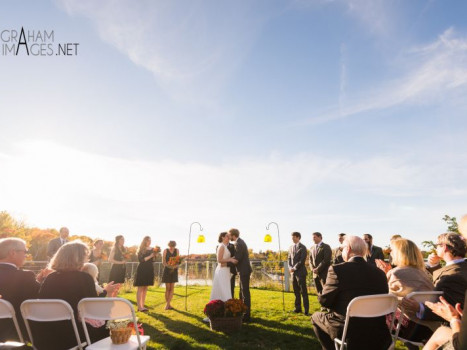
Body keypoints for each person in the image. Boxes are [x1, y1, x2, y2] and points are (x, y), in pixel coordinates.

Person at [311, 235, 392, 350]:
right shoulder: (380, 273)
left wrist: (322, 294)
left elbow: (324, 301)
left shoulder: (337, 270)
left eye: (342, 249)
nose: (341, 251)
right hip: (378, 330)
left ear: (348, 249)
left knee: (315, 317)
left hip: (349, 330)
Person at [35, 241, 119, 350]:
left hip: (48, 333)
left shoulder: (50, 278)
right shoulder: (84, 278)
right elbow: (93, 309)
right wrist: (107, 295)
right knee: (107, 323)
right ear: (78, 259)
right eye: (85, 257)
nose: (87, 260)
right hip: (76, 334)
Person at [375, 238, 434, 342]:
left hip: (407, 326)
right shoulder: (426, 273)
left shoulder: (395, 273)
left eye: (392, 250)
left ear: (399, 253)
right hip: (430, 325)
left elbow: (383, 298)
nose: (391, 253)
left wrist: (383, 275)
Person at [401, 233, 467, 324]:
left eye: (436, 246)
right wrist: (435, 265)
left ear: (444, 247)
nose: (435, 249)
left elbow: (453, 309)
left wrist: (419, 308)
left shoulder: (453, 277)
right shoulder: (461, 267)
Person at [0, 237, 40, 342]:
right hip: (19, 334)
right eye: (25, 251)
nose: (26, 255)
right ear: (12, 253)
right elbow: (40, 297)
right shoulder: (25, 276)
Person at [229, 228, 252, 322]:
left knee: (245, 292)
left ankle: (247, 315)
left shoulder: (239, 243)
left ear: (233, 235)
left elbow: (237, 258)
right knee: (242, 292)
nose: (229, 236)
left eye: (229, 235)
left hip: (244, 270)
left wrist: (226, 262)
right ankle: (242, 312)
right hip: (243, 270)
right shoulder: (239, 242)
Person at [210, 232, 237, 302]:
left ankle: (226, 304)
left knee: (226, 288)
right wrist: (230, 259)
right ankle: (221, 304)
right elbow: (219, 260)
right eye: (227, 236)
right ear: (222, 237)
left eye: (229, 236)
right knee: (222, 288)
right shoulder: (221, 246)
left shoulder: (226, 246)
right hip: (222, 270)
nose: (229, 238)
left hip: (227, 270)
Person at [288, 232, 309, 315]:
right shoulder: (290, 247)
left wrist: (294, 267)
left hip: (301, 272)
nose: (292, 239)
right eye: (292, 237)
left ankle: (306, 310)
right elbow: (289, 258)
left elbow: (302, 260)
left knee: (303, 292)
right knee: (296, 291)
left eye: (293, 237)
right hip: (293, 273)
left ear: (298, 237)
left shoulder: (303, 247)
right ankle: (298, 308)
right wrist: (290, 267)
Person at [134, 236, 156, 312]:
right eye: (148, 240)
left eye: (150, 240)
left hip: (149, 269)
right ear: (144, 241)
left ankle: (142, 306)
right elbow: (141, 260)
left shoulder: (152, 249)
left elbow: (153, 260)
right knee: (140, 288)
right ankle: (139, 307)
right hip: (142, 269)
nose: (149, 242)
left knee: (145, 288)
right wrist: (150, 256)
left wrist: (154, 256)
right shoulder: (141, 249)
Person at [162, 241, 180, 310]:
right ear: (169, 245)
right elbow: (163, 262)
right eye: (171, 246)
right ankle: (168, 305)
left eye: (173, 246)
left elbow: (178, 261)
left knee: (172, 288)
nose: (172, 248)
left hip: (174, 270)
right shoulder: (165, 251)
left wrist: (176, 265)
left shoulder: (177, 250)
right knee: (167, 288)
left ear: (175, 246)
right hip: (167, 270)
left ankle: (167, 305)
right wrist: (169, 266)